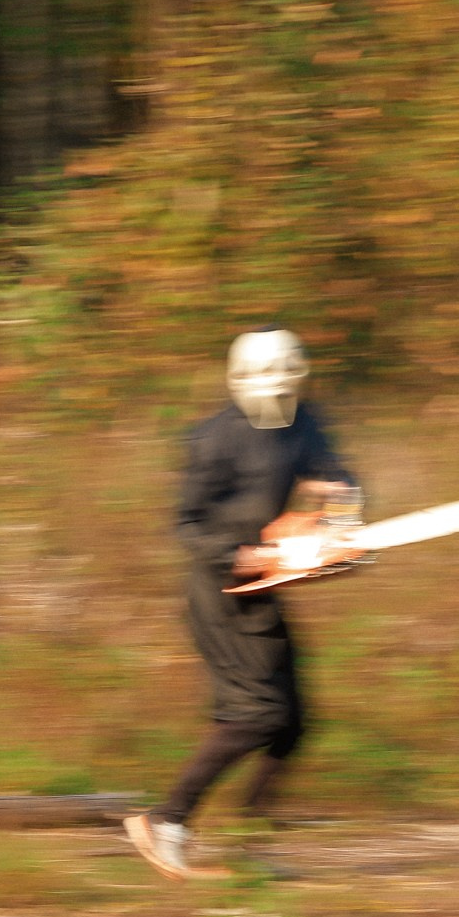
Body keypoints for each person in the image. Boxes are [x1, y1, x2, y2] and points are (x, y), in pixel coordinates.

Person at [125, 328, 358, 881]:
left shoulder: (305, 421)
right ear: (240, 381)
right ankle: (165, 821)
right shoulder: (212, 439)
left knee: (295, 722)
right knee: (257, 715)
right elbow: (185, 526)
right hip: (218, 592)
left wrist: (340, 500)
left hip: (267, 585)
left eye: (287, 386)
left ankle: (251, 835)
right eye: (266, 386)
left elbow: (337, 472)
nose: (278, 398)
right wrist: (239, 553)